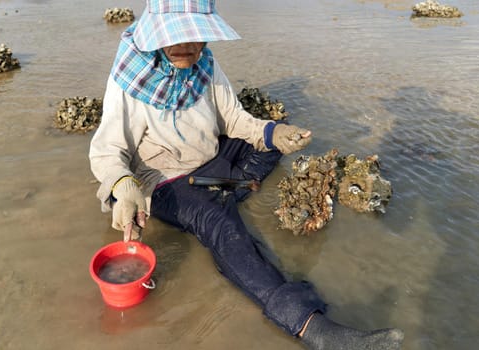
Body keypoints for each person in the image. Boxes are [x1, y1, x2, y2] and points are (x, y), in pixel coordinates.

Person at [89, 1, 405, 349]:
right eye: (179, 35)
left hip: (214, 157)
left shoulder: (205, 64)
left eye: (197, 35)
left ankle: (223, 195)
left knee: (273, 136)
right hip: (165, 182)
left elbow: (234, 120)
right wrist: (124, 184)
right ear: (156, 33)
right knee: (222, 227)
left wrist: (272, 134)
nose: (190, 46)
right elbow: (107, 151)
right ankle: (310, 326)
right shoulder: (129, 79)